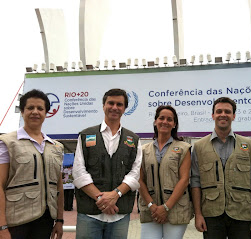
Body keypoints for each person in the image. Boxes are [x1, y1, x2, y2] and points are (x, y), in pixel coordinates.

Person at [191, 97, 251, 239]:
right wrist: (198, 214)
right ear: (213, 115)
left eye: (227, 111)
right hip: (211, 215)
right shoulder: (199, 146)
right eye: (219, 111)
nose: (223, 114)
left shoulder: (248, 145)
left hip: (241, 214)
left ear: (234, 116)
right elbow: (195, 182)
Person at [72, 88, 142, 239]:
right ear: (103, 105)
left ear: (124, 109)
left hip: (119, 215)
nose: (115, 107)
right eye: (111, 103)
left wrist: (115, 195)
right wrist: (102, 199)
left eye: (119, 104)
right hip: (89, 214)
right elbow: (78, 172)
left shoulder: (134, 139)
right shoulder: (85, 135)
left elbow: (135, 173)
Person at [0, 89, 64, 239]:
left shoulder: (56, 146)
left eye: (40, 108)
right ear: (22, 111)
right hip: (16, 221)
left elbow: (58, 186)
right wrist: (2, 227)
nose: (35, 112)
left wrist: (59, 220)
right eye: (30, 108)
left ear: (46, 113)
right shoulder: (8, 143)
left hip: (45, 220)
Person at [138, 106, 193, 239]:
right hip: (151, 210)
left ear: (174, 124)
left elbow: (184, 180)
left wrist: (166, 208)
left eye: (170, 119)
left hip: (176, 209)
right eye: (161, 118)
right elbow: (140, 180)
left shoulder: (184, 148)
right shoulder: (143, 150)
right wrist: (152, 206)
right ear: (155, 121)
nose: (165, 122)